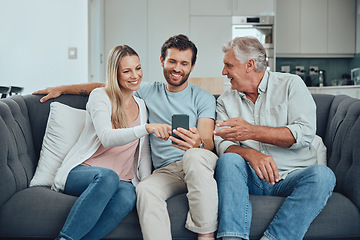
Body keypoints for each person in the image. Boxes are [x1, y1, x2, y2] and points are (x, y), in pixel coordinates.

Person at [33, 34, 219, 240]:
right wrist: (62, 89)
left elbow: (208, 142)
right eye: (172, 61)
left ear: (192, 66)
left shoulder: (202, 97)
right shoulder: (145, 93)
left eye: (184, 63)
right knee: (144, 190)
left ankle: (206, 236)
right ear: (162, 61)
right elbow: (105, 88)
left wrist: (198, 143)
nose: (177, 68)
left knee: (193, 155)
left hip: (197, 162)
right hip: (166, 171)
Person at [213, 36, 336, 240]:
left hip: (292, 177)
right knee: (229, 160)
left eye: (228, 65)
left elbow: (304, 133)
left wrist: (251, 131)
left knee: (324, 176)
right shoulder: (225, 101)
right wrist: (251, 154)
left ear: (249, 65)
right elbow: (222, 143)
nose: (224, 72)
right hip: (252, 178)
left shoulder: (290, 84)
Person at [53, 45, 171, 240]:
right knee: (107, 177)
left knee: (128, 196)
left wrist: (146, 183)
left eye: (138, 68)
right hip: (84, 171)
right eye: (127, 71)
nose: (135, 75)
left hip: (122, 179)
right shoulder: (100, 96)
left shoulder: (141, 105)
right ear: (115, 73)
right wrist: (146, 128)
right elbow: (107, 138)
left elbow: (143, 153)